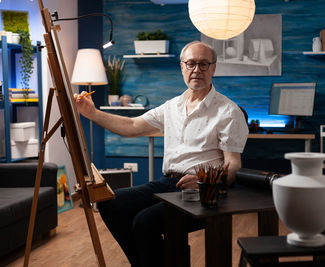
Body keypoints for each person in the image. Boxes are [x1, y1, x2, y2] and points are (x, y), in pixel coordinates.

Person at [74, 41, 248, 266]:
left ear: (213, 68)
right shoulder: (172, 106)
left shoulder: (228, 112)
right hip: (168, 183)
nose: (197, 70)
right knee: (110, 204)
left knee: (144, 222)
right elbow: (132, 126)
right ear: (182, 67)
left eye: (204, 64)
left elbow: (233, 165)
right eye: (191, 64)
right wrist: (93, 113)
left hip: (205, 192)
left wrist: (205, 181)